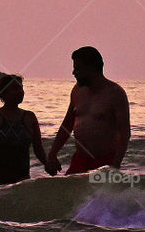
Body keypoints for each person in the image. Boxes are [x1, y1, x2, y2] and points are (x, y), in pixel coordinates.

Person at [45, 47, 130, 176]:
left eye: (78, 68)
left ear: (92, 67)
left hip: (104, 161)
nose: (74, 73)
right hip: (80, 160)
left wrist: (115, 166)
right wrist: (52, 154)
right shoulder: (77, 91)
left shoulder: (115, 93)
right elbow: (67, 125)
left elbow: (124, 133)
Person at [0, 75, 53, 189]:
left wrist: (47, 164)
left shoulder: (30, 117)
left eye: (21, 88)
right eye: (15, 88)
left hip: (22, 178)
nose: (20, 92)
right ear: (3, 93)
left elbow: (38, 149)